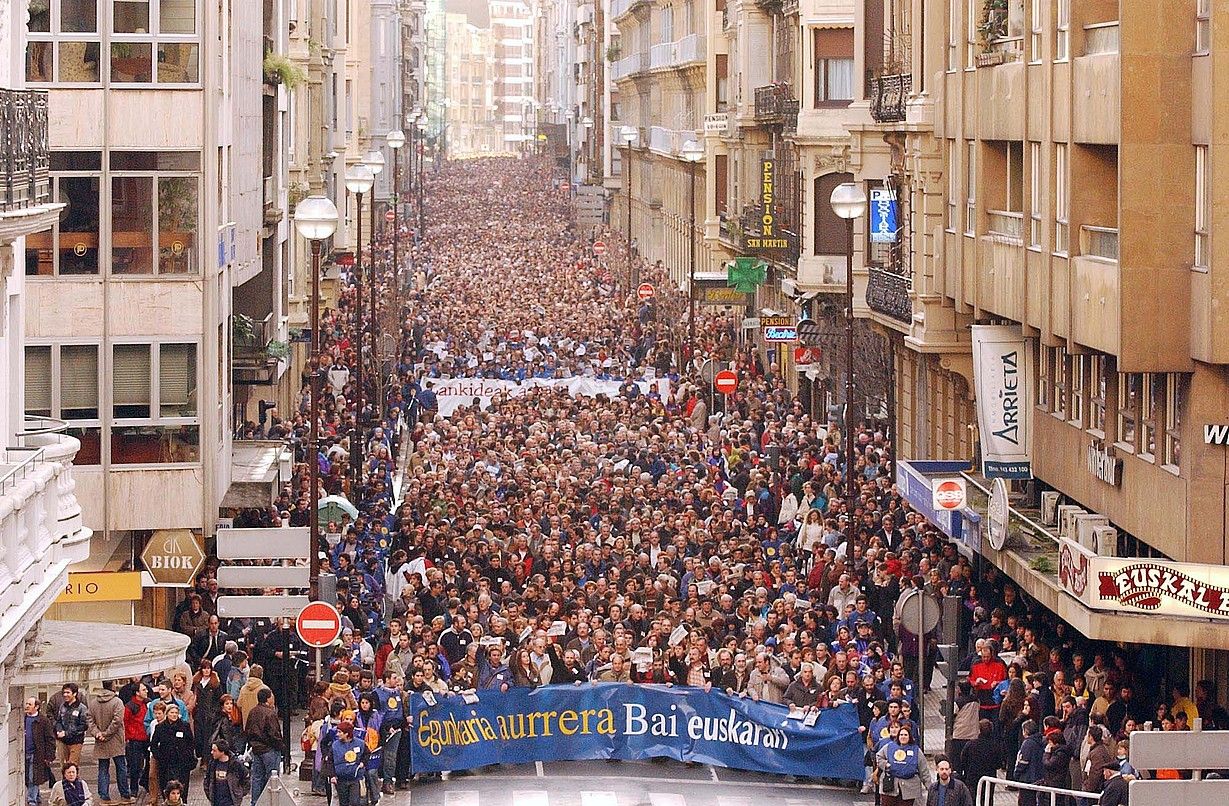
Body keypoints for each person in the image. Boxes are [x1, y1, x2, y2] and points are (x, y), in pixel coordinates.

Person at [87, 679, 130, 804]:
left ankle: (104, 795)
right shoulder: (117, 702)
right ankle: (125, 794)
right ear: (112, 686)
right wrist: (107, 733)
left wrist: (97, 733)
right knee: (121, 767)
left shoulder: (93, 702)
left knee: (103, 768)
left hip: (100, 741)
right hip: (116, 739)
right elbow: (117, 721)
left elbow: (89, 720)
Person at [877, 724, 932, 806]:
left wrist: (930, 788)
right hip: (890, 787)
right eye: (901, 735)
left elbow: (924, 771)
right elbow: (879, 757)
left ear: (909, 736)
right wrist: (885, 764)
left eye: (905, 735)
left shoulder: (916, 751)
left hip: (909, 789)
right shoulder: (889, 747)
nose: (903, 737)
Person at [245, 688, 283, 806]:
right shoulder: (270, 713)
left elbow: (248, 730)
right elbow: (274, 734)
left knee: (257, 777)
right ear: (268, 698)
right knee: (272, 778)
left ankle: (255, 802)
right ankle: (270, 802)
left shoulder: (253, 711)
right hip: (269, 749)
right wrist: (281, 746)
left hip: (257, 749)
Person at [149, 704, 195, 799]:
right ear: (167, 713)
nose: (174, 715)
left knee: (182, 787)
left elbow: (191, 743)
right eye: (172, 712)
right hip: (166, 763)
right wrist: (159, 756)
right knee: (167, 787)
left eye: (176, 713)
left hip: (182, 763)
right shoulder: (160, 727)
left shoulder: (185, 726)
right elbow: (153, 745)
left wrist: (188, 755)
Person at [324, 720, 369, 806]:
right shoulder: (335, 745)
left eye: (340, 732)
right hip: (341, 780)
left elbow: (367, 754)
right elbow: (329, 761)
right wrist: (332, 775)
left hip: (355, 779)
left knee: (355, 802)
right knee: (343, 803)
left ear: (347, 734)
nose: (337, 734)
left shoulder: (360, 743)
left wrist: (363, 763)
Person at [25, 697, 57, 806]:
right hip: (25, 753)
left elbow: (50, 739)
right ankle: (37, 797)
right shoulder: (23, 719)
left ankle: (31, 800)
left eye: (30, 704)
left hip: (37, 754)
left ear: (37, 707)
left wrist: (49, 756)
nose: (27, 706)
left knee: (32, 777)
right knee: (29, 777)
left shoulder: (43, 720)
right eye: (27, 703)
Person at [203, 740, 250, 806]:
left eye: (214, 750)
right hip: (216, 802)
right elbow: (207, 779)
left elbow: (246, 778)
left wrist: (239, 793)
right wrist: (209, 793)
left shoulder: (236, 764)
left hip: (231, 802)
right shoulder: (212, 764)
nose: (211, 752)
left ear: (222, 751)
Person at [55, 683, 90, 772]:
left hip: (76, 741)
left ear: (74, 694)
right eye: (64, 692)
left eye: (68, 692)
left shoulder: (82, 708)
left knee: (72, 766)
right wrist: (59, 730)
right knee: (64, 767)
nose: (65, 695)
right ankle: (65, 784)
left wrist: (67, 733)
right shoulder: (62, 706)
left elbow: (84, 726)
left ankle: (75, 784)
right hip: (62, 741)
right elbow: (58, 720)